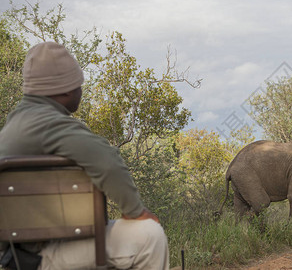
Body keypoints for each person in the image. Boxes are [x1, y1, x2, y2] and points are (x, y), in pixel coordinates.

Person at [0, 42, 169, 270]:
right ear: (67, 89)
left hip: (22, 253)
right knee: (150, 235)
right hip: (44, 256)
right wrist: (137, 212)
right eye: (79, 84)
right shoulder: (51, 125)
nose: (81, 90)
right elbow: (107, 162)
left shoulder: (16, 123)